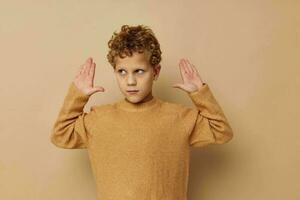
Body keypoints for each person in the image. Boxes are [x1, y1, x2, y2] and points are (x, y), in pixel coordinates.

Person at [50, 24, 234, 200]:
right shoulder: (100, 118)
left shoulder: (178, 117)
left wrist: (199, 92)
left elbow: (221, 131)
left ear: (155, 72)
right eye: (122, 71)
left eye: (139, 71)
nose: (130, 81)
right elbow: (61, 135)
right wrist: (77, 96)